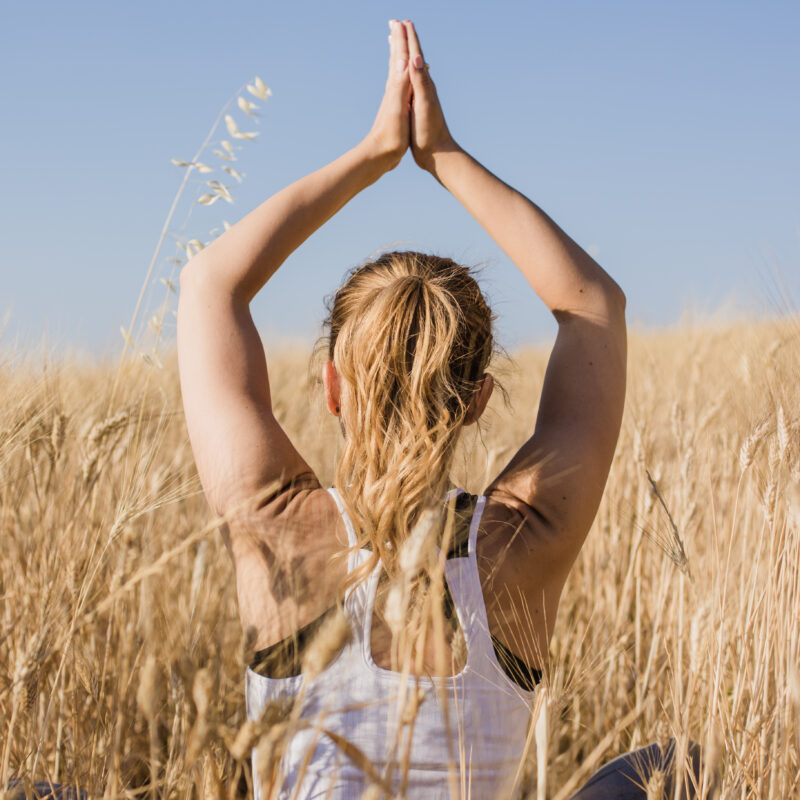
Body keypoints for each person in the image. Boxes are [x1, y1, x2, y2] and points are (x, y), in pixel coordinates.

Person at [178, 18, 698, 800]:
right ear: (479, 401)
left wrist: (374, 154)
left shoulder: (275, 525)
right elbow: (594, 304)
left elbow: (210, 286)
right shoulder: (528, 539)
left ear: (331, 388)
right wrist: (444, 157)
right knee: (678, 763)